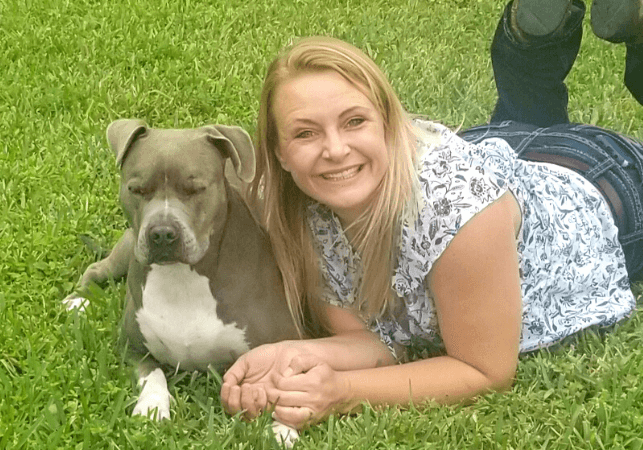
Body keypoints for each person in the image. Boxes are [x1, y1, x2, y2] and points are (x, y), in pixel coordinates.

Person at [220, 0, 643, 430]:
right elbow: (374, 341)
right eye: (305, 132)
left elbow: (484, 370)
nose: (334, 150)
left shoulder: (457, 210)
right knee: (526, 118)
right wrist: (291, 355)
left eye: (354, 121)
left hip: (606, 187)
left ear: (389, 122)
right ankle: (532, 41)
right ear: (279, 152)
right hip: (500, 150)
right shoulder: (296, 208)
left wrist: (343, 392)